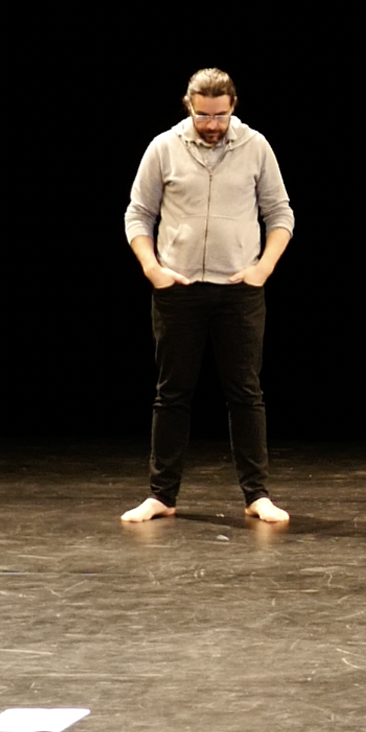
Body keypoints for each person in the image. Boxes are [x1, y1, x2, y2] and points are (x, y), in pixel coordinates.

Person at [120, 68, 295, 525]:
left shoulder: (256, 147)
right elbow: (138, 214)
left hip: (238, 291)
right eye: (203, 115)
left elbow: (280, 213)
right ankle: (162, 495)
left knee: (246, 394)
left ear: (233, 106)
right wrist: (153, 269)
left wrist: (262, 269)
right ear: (188, 106)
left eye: (220, 115)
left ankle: (257, 495)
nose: (212, 124)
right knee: (172, 394)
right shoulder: (164, 147)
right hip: (178, 290)